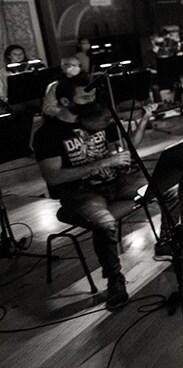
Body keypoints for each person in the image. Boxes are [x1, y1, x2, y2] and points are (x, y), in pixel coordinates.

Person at [32, 75, 169, 310]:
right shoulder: (48, 133)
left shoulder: (99, 119)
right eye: (85, 97)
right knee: (105, 224)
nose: (92, 101)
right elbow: (53, 177)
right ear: (65, 102)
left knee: (168, 188)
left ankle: (165, 242)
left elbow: (127, 148)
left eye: (93, 95)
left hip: (116, 182)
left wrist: (144, 119)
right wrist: (103, 163)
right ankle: (115, 280)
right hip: (81, 193)